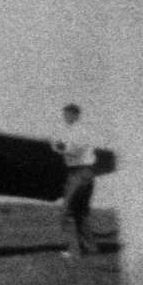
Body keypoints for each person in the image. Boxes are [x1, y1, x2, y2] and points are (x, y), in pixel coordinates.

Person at [51, 103, 99, 259]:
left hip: (79, 173)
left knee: (68, 212)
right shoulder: (74, 131)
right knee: (81, 212)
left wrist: (60, 145)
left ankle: (74, 251)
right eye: (65, 114)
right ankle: (91, 248)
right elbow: (60, 146)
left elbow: (70, 149)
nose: (66, 117)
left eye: (69, 114)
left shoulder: (78, 131)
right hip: (85, 173)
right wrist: (60, 145)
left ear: (76, 115)